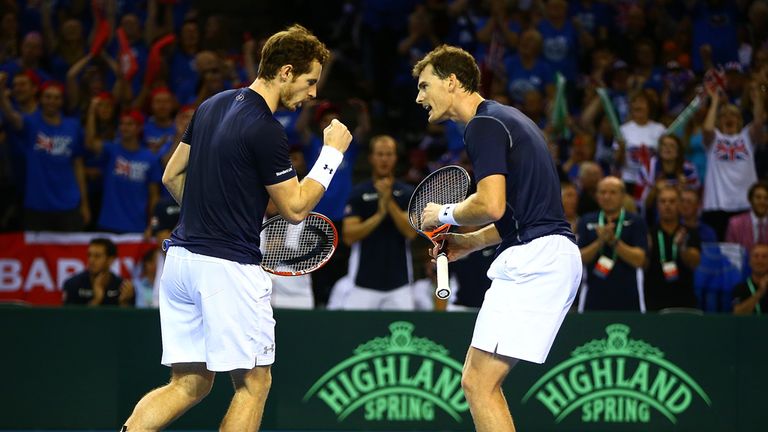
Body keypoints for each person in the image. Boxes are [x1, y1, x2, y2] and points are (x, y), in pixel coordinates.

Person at [121, 25, 351, 432]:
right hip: (227, 270)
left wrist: (210, 214)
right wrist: (331, 153)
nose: (313, 92)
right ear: (285, 72)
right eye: (310, 81)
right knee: (253, 383)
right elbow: (296, 208)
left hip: (180, 263)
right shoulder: (265, 129)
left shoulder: (211, 105)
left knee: (188, 383)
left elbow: (172, 176)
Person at [413, 45, 581, 432]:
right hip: (547, 252)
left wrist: (444, 213)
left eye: (425, 86)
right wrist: (468, 242)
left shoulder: (483, 125)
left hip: (536, 260)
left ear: (452, 82)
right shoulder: (508, 118)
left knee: (478, 383)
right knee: (480, 382)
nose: (419, 97)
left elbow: (490, 204)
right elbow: (513, 214)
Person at [339, 134, 417, 310]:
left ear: (396, 158)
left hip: (400, 284)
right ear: (371, 158)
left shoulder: (407, 193)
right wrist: (379, 215)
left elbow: (411, 232)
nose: (384, 159)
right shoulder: (358, 193)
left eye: (389, 154)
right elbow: (349, 236)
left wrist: (388, 201)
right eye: (380, 154)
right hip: (362, 283)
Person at [701, 83, 764, 240]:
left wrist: (757, 97)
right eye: (724, 116)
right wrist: (715, 101)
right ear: (719, 121)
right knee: (720, 251)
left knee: (745, 251)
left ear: (740, 120)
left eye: (733, 115)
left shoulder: (746, 137)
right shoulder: (714, 139)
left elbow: (758, 123)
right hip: (717, 204)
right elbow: (707, 129)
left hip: (744, 203)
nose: (729, 118)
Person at [578, 176, 648, 311]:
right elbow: (579, 259)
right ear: (596, 195)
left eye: (612, 192)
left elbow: (639, 260)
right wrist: (600, 242)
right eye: (602, 192)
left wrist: (614, 241)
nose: (607, 197)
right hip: (593, 296)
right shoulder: (587, 220)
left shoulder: (636, 221)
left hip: (628, 295)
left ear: (623, 196)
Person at [645, 186, 702, 311]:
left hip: (684, 298)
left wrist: (682, 247)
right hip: (654, 298)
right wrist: (647, 251)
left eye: (672, 201)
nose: (667, 205)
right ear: (657, 206)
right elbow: (642, 266)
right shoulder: (649, 233)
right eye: (663, 201)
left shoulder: (689, 233)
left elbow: (695, 262)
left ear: (680, 205)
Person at [62, 238, 134, 306]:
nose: (91, 260)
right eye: (89, 255)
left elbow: (127, 318)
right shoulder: (72, 284)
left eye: (97, 256)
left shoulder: (122, 287)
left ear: (111, 260)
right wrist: (97, 300)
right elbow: (71, 318)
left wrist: (124, 303)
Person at [725, 181, 768, 255]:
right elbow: (730, 255)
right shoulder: (735, 224)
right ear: (750, 200)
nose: (762, 201)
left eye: (766, 198)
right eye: (758, 197)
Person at [732, 243, 768, 315]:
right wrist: (760, 292)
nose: (760, 260)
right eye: (756, 256)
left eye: (764, 256)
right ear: (749, 262)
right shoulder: (740, 288)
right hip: (748, 326)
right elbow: (737, 313)